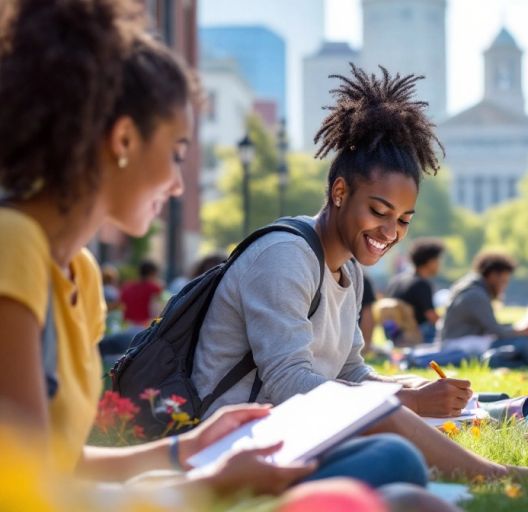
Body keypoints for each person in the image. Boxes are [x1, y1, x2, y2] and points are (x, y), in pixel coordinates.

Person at [0, 0, 428, 503]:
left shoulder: (82, 273)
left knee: (403, 485)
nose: (180, 185)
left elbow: (62, 459)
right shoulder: (15, 244)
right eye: (178, 153)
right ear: (122, 140)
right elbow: (22, 488)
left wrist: (186, 451)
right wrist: (203, 486)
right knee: (394, 472)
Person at [191, 66, 528, 483]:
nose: (389, 233)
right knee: (394, 449)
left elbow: (351, 372)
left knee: (410, 428)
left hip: (294, 430)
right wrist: (406, 400)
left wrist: (408, 385)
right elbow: (288, 383)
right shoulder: (285, 255)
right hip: (237, 443)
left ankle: (508, 454)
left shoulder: (350, 268)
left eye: (403, 220)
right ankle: (515, 479)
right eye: (379, 212)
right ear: (339, 192)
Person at [439, 251, 528, 369]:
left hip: (462, 340)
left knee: (520, 346)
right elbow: (497, 331)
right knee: (524, 342)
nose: (504, 286)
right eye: (503, 281)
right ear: (493, 275)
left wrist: (518, 329)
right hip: (459, 344)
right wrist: (523, 331)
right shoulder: (476, 294)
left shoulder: (472, 287)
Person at [386, 237, 444, 342]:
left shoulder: (396, 281)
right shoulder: (421, 284)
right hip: (416, 335)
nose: (439, 264)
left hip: (394, 336)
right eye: (438, 260)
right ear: (430, 261)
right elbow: (432, 317)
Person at [120, 259, 162, 327]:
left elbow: (122, 307)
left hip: (128, 325)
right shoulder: (154, 288)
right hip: (146, 326)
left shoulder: (127, 287)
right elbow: (156, 311)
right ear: (152, 273)